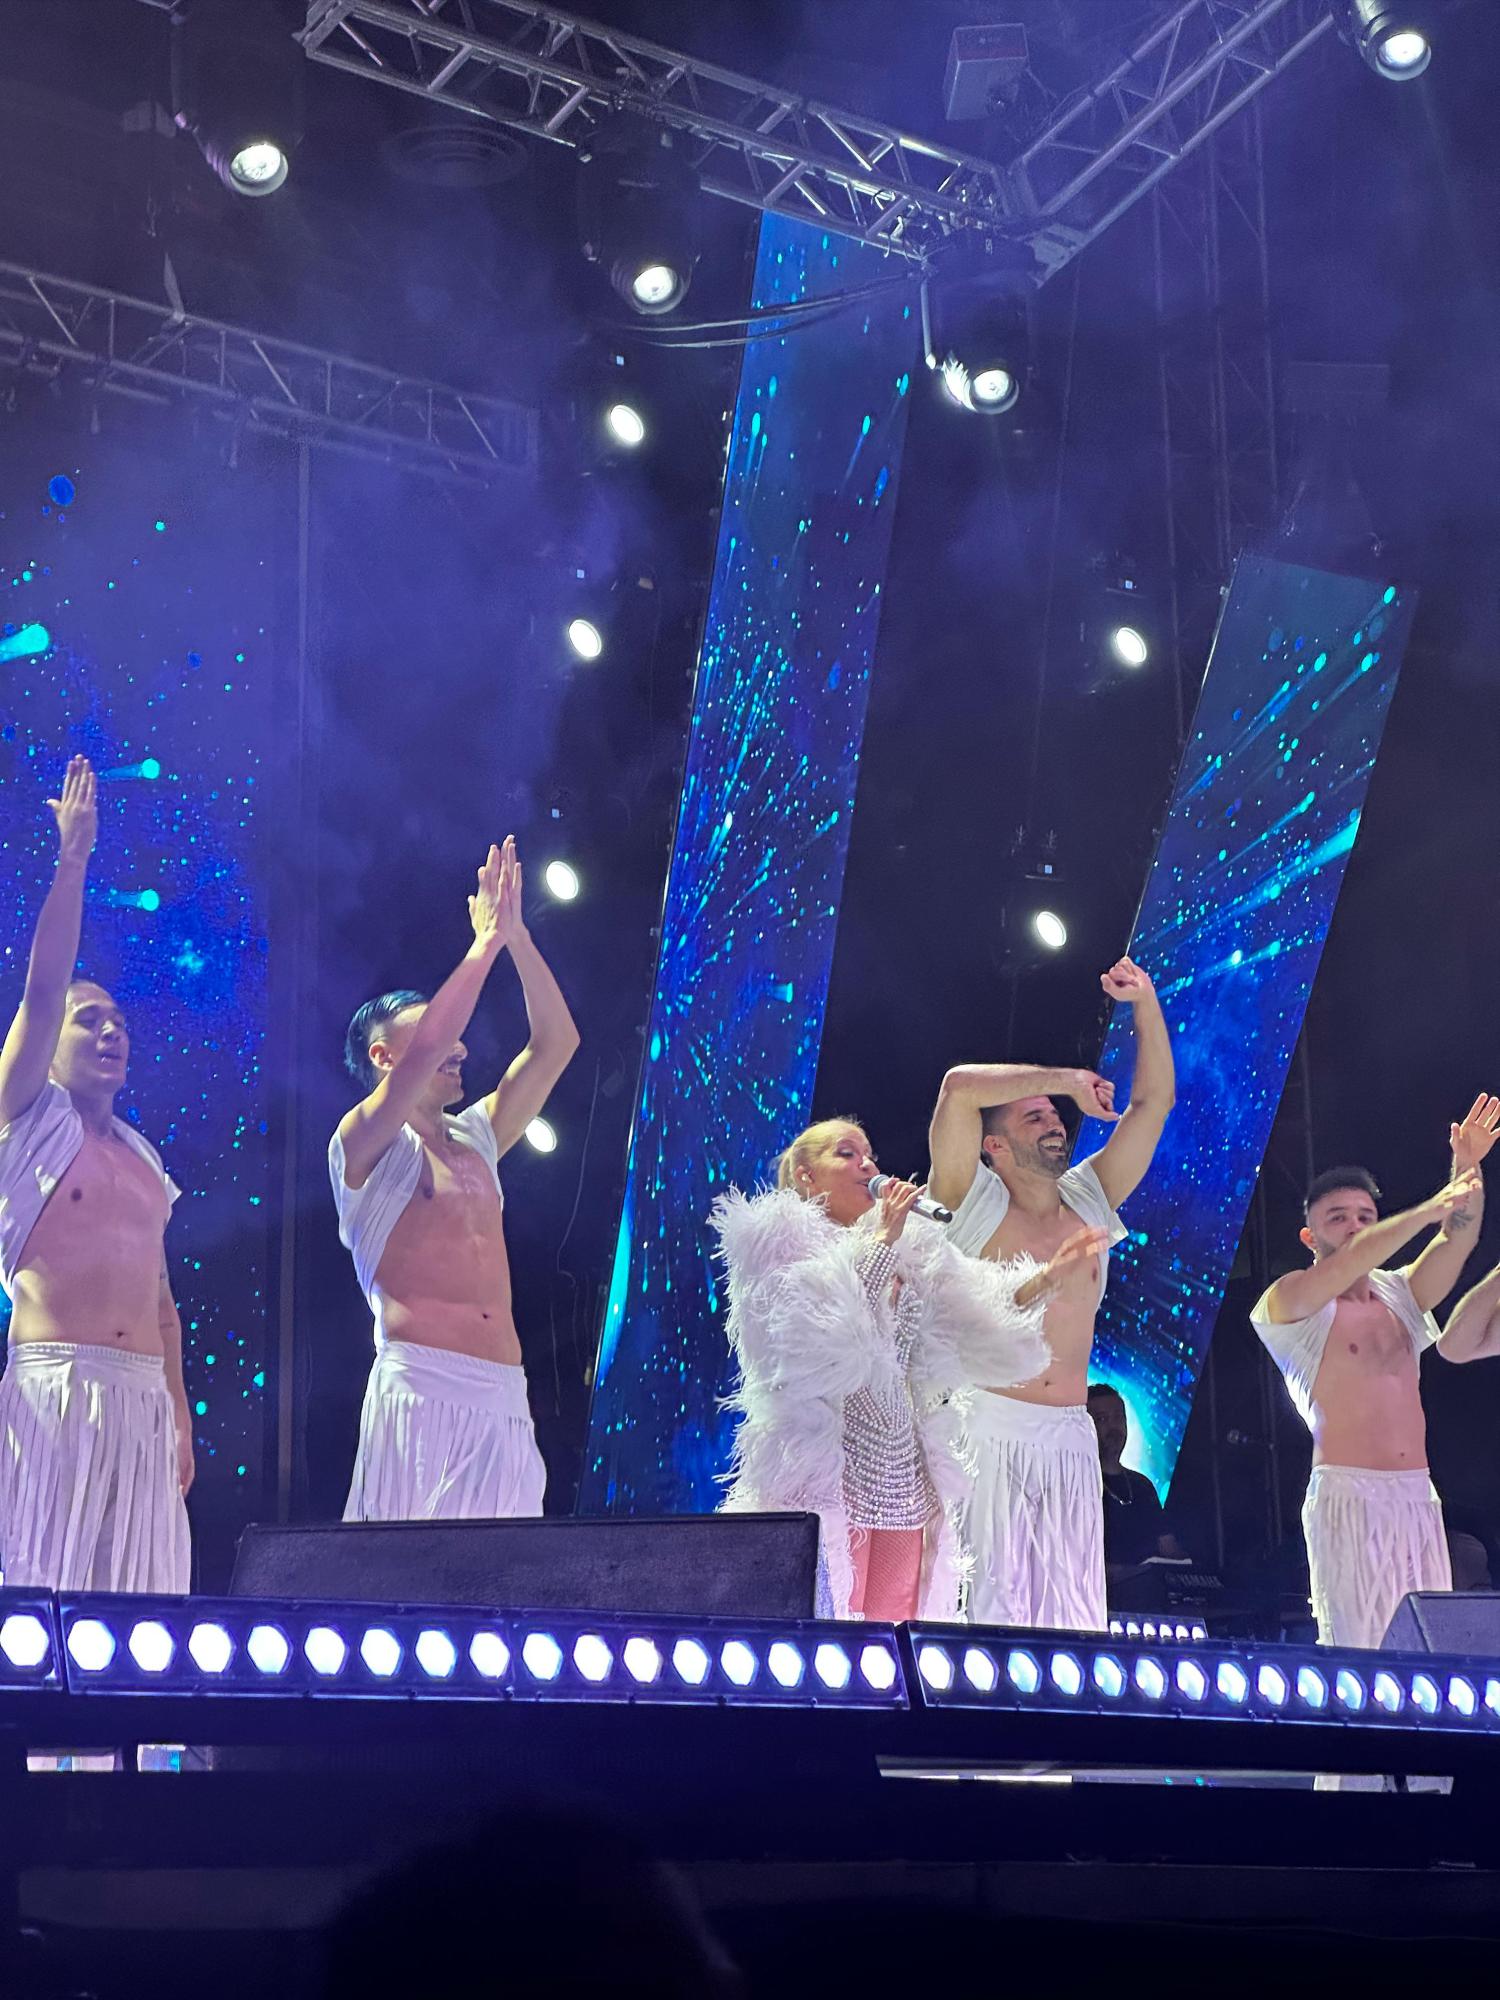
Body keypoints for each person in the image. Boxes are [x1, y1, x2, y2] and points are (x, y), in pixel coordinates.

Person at [711, 1116, 1103, 1622]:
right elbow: (815, 1345)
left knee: (893, 1634)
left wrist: (1046, 1279)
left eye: (869, 1155)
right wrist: (880, 1241)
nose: (867, 1165)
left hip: (902, 1475)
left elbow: (980, 1304)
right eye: (847, 1154)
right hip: (830, 1475)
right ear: (806, 1175)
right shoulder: (777, 1245)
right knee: (830, 1625)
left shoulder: (911, 1247)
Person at [331, 836, 578, 1521]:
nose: (461, 1047)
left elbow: (558, 1044)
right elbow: (435, 1043)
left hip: (503, 1394)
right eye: (437, 1039)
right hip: (421, 1389)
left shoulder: (477, 1137)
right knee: (405, 1577)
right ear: (384, 1057)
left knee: (506, 1580)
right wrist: (483, 945)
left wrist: (518, 938)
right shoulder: (362, 1144)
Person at [926, 955, 1175, 1631]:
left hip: (1070, 1435)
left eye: (1054, 1113)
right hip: (989, 1427)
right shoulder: (970, 1201)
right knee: (990, 1618)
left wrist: (1145, 1003)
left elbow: (1153, 1105)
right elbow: (957, 1088)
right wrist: (1063, 1078)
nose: (1054, 1120)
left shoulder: (1089, 1197)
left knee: (1073, 1620)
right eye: (1033, 1115)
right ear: (995, 1146)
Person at [0, 755, 192, 1593]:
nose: (112, 1031)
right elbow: (43, 992)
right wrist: (73, 859)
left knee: (143, 1607)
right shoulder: (26, 1118)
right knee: (45, 1600)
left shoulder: (145, 1159)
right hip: (55, 1391)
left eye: (119, 1021)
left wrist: (178, 1411)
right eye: (91, 1021)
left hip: (143, 1401)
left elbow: (163, 1303)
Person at [1250, 1094, 1497, 1649]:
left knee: (1428, 1653)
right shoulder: (1291, 1300)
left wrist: (1467, 1167)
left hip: (1416, 1497)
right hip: (1348, 1498)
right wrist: (1430, 1208)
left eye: (1365, 1217)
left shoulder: (1400, 1293)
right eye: (1338, 1218)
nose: (1355, 1227)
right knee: (1360, 1652)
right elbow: (1357, 1258)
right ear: (1310, 1237)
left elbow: (1457, 1237)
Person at [1086, 1382, 1188, 1574]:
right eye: (1102, 1419)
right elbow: (1076, 1563)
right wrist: (1131, 1573)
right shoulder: (1075, 1486)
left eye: (1119, 1417)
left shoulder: (1142, 1486)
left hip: (1146, 1590)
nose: (1113, 1427)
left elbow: (1169, 1547)